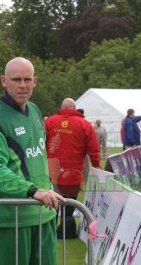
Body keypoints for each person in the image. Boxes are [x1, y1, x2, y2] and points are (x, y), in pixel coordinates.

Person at [0, 57, 64, 265]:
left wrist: (48, 188)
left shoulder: (34, 110)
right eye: (16, 79)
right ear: (4, 81)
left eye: (27, 79)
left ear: (35, 81)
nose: (22, 85)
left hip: (44, 215)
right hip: (10, 219)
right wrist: (33, 191)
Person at [44, 98, 101, 239]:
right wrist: (96, 166)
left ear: (61, 107)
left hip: (52, 173)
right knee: (69, 204)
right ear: (75, 108)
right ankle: (66, 231)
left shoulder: (49, 122)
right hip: (73, 174)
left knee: (52, 203)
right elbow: (93, 149)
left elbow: (40, 144)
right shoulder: (84, 125)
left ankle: (50, 231)